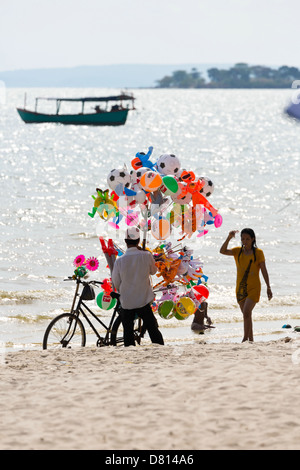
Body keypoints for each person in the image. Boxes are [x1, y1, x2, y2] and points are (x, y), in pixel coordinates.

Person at [112, 227, 164, 347]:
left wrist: (125, 290)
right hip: (143, 300)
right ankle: (160, 348)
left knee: (128, 331)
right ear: (139, 240)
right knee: (152, 329)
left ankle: (130, 348)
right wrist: (146, 253)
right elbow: (153, 271)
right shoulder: (146, 255)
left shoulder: (120, 260)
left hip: (127, 301)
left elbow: (116, 282)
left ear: (125, 241)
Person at [220, 228, 273, 342]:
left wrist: (268, 287)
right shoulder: (237, 251)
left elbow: (264, 270)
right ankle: (251, 339)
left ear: (253, 239)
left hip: (254, 287)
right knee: (247, 315)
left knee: (246, 312)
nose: (245, 241)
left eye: (248, 239)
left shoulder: (258, 253)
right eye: (243, 238)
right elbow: (222, 251)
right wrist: (229, 237)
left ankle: (244, 339)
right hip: (240, 288)